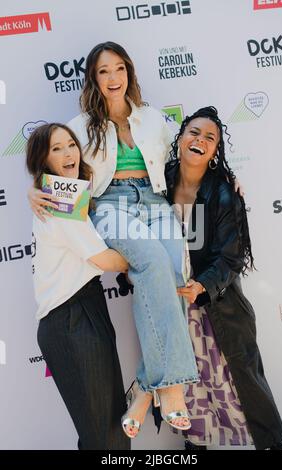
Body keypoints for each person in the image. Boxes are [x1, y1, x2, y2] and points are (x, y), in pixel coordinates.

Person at [28, 41, 199, 438]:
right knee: (153, 260)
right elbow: (56, 168)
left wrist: (228, 178)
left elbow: (188, 160)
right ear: (94, 78)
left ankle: (146, 388)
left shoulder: (153, 119)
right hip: (110, 205)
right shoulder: (79, 125)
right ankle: (170, 388)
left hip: (155, 201)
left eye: (118, 68)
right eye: (103, 71)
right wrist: (33, 192)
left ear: (129, 72)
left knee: (173, 274)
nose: (112, 78)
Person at [164, 106, 282, 450]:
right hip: (175, 311)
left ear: (216, 150)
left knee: (243, 384)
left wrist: (201, 285)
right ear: (180, 138)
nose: (200, 140)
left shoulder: (223, 192)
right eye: (193, 132)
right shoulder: (159, 182)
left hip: (220, 307)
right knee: (190, 390)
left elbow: (232, 257)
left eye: (210, 137)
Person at [26, 123, 130, 450]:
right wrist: (146, 255)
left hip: (85, 310)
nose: (68, 152)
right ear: (43, 159)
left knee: (109, 426)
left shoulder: (69, 193)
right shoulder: (58, 197)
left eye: (71, 144)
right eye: (56, 149)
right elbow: (105, 259)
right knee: (102, 433)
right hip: (70, 319)